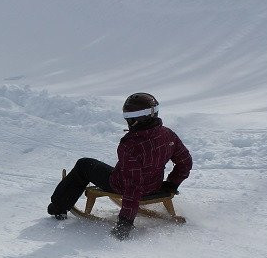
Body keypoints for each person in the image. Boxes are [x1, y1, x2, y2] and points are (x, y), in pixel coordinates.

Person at [47, 92, 192, 239]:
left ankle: (58, 207)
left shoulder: (131, 144)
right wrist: (171, 184)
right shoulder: (168, 134)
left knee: (84, 165)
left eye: (128, 118)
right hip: (155, 186)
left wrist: (125, 223)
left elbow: (133, 185)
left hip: (121, 185)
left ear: (134, 120)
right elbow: (185, 162)